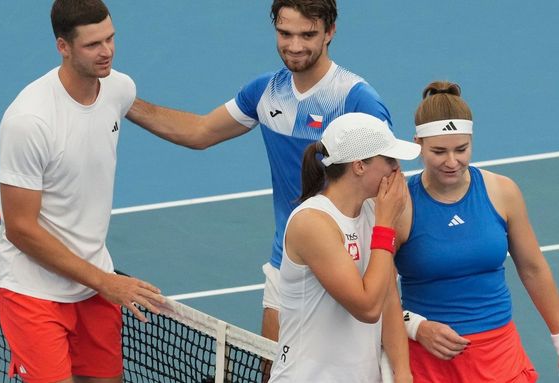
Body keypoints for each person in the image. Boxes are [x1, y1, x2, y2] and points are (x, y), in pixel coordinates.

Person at [126, 0, 392, 343]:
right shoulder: (266, 92)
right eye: (285, 33)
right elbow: (199, 131)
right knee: (272, 367)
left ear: (330, 32)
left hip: (350, 259)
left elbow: (389, 184)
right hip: (288, 258)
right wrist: (124, 102)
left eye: (307, 34)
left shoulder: (356, 99)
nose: (295, 46)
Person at [0, 1, 164, 382]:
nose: (107, 51)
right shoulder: (29, 121)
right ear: (63, 47)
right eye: (93, 45)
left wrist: (237, 117)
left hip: (93, 287)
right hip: (33, 292)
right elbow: (19, 228)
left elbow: (174, 125)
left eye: (110, 39)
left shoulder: (118, 88)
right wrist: (107, 282)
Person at [393, 81, 559, 382]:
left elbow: (534, 269)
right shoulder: (400, 204)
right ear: (417, 143)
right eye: (438, 151)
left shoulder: (503, 192)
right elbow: (374, 288)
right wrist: (416, 326)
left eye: (461, 149)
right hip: (427, 360)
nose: (452, 161)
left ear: (472, 140)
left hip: (500, 356)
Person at [268, 113, 420, 382]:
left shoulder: (373, 210)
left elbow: (386, 297)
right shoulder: (313, 223)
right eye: (390, 161)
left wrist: (403, 372)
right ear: (359, 166)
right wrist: (385, 224)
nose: (397, 170)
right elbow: (368, 308)